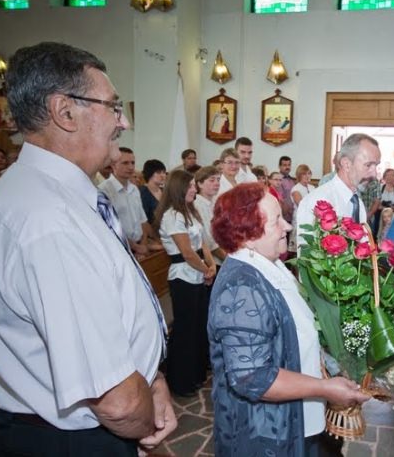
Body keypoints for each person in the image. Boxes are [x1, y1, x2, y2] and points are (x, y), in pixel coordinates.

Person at [0, 42, 175, 455]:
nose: (123, 121)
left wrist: (152, 378)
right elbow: (116, 401)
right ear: (64, 111)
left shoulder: (54, 196)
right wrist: (145, 417)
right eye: (113, 106)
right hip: (71, 441)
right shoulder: (49, 221)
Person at [208, 183, 369, 456]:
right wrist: (325, 388)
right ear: (247, 233)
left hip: (292, 417)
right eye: (277, 221)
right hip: (265, 431)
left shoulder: (270, 263)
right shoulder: (241, 288)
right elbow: (253, 377)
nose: (289, 226)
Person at [154, 170, 216, 397]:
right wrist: (205, 268)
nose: (194, 189)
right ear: (178, 189)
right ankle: (181, 380)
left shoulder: (191, 211)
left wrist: (211, 265)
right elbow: (187, 252)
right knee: (185, 328)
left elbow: (203, 244)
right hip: (183, 276)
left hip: (199, 273)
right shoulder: (172, 215)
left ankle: (196, 373)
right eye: (190, 186)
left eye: (193, 185)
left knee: (199, 325)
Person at [296, 133, 381, 245]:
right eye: (368, 165)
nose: (374, 174)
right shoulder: (317, 202)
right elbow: (307, 255)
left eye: (376, 166)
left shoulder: (357, 202)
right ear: (346, 164)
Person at [99, 147, 152, 256]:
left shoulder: (134, 189)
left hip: (140, 246)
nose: (131, 167)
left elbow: (142, 221)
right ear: (113, 165)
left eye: (133, 163)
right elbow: (109, 227)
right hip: (119, 249)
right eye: (125, 163)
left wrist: (144, 243)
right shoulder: (104, 190)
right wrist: (136, 247)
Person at [194, 166, 226, 268]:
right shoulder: (197, 205)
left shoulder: (214, 202)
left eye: (218, 179)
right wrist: (227, 259)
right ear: (200, 184)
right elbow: (209, 241)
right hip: (213, 262)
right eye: (212, 180)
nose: (216, 183)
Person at [139, 159, 167, 225]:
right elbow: (143, 219)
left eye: (164, 172)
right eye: (158, 172)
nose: (163, 175)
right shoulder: (143, 192)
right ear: (149, 173)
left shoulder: (165, 191)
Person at [277, 156, 296, 223]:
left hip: (292, 215)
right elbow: (280, 199)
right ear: (279, 166)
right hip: (284, 216)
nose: (287, 167)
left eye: (289, 165)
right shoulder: (278, 180)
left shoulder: (292, 180)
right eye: (284, 165)